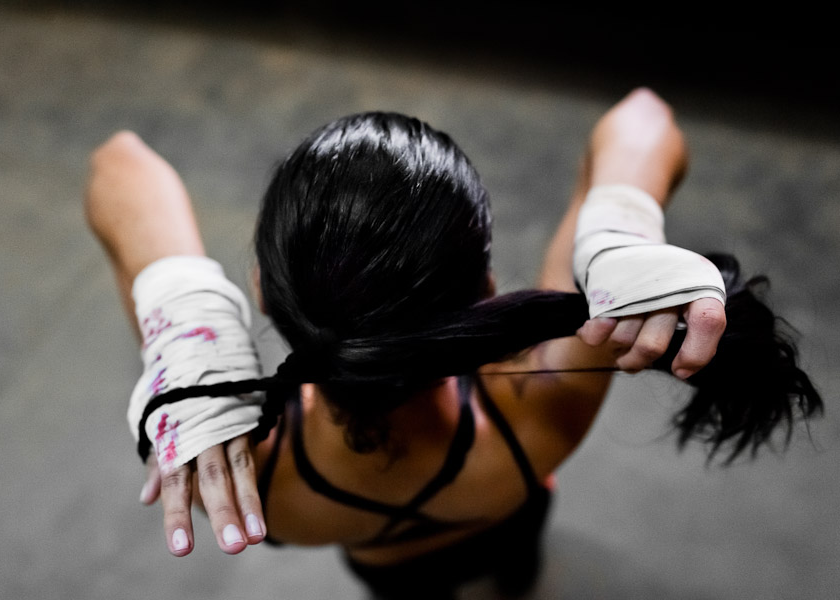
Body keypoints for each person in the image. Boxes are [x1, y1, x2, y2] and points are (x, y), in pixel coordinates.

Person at [85, 88, 821, 598]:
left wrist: (183, 315)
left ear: (261, 290)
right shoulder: (544, 412)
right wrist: (621, 223)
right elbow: (642, 115)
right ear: (489, 289)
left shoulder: (236, 477)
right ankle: (516, 578)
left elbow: (119, 164)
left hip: (386, 567)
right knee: (516, 556)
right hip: (506, 504)